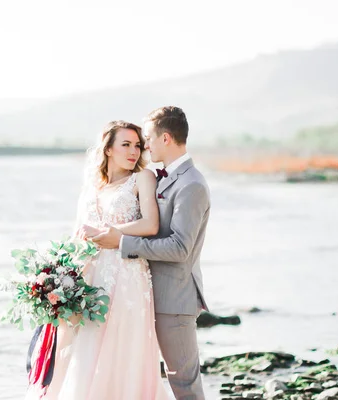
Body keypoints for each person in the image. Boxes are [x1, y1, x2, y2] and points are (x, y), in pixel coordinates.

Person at [26, 120, 168, 400]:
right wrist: (56, 278)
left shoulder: (143, 178)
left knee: (121, 345)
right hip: (89, 277)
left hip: (126, 273)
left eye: (137, 145)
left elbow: (151, 224)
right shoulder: (92, 187)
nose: (134, 152)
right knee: (83, 345)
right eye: (125, 144)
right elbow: (77, 235)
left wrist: (111, 233)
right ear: (108, 149)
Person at [92, 106, 210, 400]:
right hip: (139, 294)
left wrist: (121, 242)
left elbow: (180, 248)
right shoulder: (164, 177)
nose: (144, 146)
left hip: (174, 298)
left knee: (183, 382)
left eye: (147, 139)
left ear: (166, 138)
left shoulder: (191, 184)